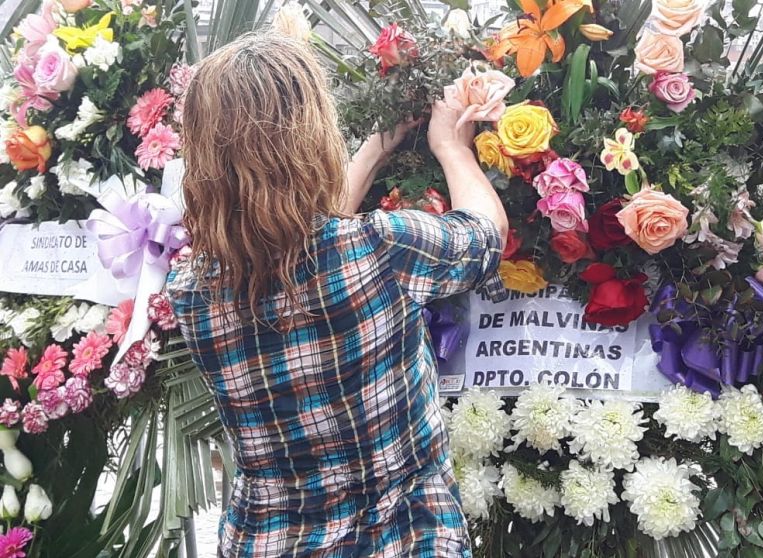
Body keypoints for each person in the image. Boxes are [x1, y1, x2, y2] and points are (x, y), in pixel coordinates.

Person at [166, 32, 507, 557]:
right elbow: (486, 236)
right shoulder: (381, 248)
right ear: (312, 133)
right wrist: (452, 149)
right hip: (403, 537)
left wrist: (374, 148)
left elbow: (298, 242)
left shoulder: (190, 293)